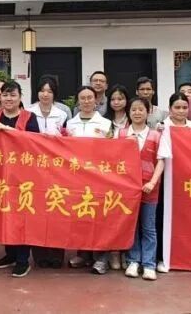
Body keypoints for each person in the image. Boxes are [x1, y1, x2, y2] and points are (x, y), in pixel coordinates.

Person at [0, 82, 40, 278]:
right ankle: (10, 254)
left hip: (23, 177)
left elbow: (34, 142)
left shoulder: (29, 117)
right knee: (4, 214)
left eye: (12, 95)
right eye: (5, 95)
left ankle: (22, 260)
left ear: (20, 97)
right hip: (1, 174)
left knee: (22, 217)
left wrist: (7, 130)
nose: (8, 99)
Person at [65, 86, 118, 274]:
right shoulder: (70, 124)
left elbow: (114, 150)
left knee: (100, 217)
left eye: (90, 98)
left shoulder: (106, 123)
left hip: (100, 177)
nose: (86, 101)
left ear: (96, 101)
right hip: (77, 177)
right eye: (83, 98)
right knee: (81, 215)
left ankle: (102, 257)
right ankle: (83, 253)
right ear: (78, 101)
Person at [154, 93, 191, 273]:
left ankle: (184, 255)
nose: (181, 111)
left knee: (186, 218)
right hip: (165, 180)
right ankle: (161, 256)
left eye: (184, 107)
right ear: (170, 109)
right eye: (177, 107)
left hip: (188, 180)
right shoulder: (161, 127)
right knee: (162, 217)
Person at [125, 98, 164, 281]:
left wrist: (153, 182)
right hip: (128, 190)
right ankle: (133, 260)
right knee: (131, 226)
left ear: (148, 112)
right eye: (134, 109)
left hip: (149, 189)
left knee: (149, 227)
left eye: (141, 109)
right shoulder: (121, 133)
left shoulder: (156, 135)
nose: (137, 113)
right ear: (129, 112)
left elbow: (161, 161)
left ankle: (149, 264)